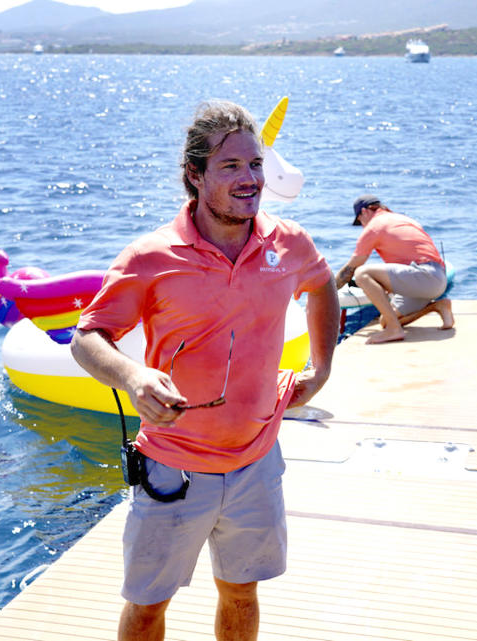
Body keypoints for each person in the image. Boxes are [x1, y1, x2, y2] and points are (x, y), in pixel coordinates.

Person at [70, 100, 340, 641]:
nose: (251, 180)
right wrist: (134, 377)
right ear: (195, 176)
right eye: (231, 167)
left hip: (257, 463)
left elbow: (324, 289)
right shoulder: (150, 256)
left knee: (241, 592)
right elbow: (87, 338)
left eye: (256, 165)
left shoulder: (289, 242)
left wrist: (321, 367)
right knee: (148, 606)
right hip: (173, 470)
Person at [334, 194, 453, 344]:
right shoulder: (403, 219)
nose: (362, 226)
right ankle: (437, 306)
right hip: (437, 277)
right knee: (385, 320)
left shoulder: (374, 226)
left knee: (361, 274)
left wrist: (327, 293)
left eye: (360, 221)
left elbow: (351, 269)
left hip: (425, 277)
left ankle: (394, 329)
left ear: (364, 212)